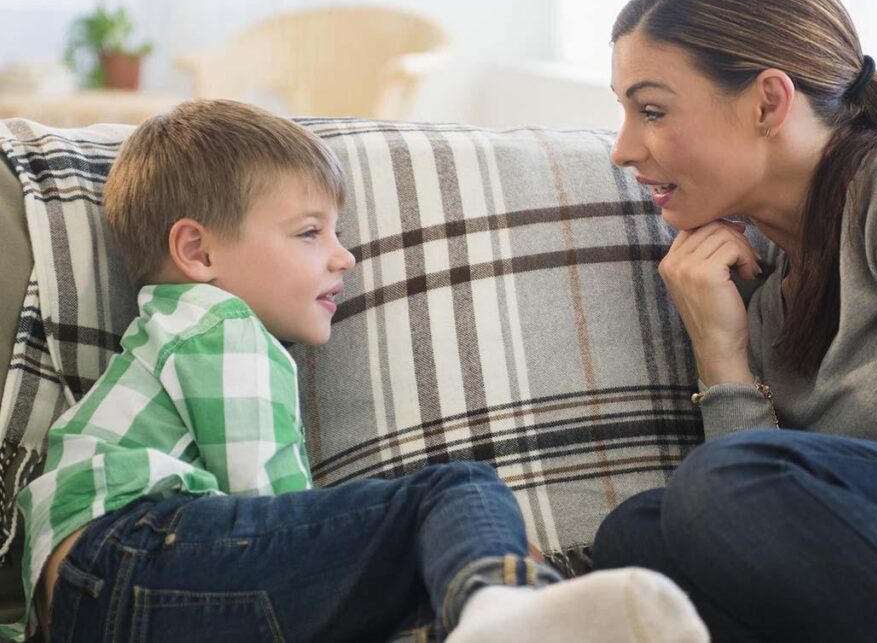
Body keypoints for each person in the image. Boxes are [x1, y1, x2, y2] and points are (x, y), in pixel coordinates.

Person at [8, 99, 708, 643]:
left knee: (423, 567)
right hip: (128, 556)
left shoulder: (167, 329)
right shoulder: (217, 324)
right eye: (310, 232)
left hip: (101, 595)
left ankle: (503, 604)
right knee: (456, 490)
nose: (343, 257)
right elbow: (271, 503)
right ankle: (509, 609)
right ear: (197, 249)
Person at [592, 0, 877, 641]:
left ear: (768, 102)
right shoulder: (758, 286)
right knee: (639, 538)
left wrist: (741, 475)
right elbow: (754, 546)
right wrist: (724, 359)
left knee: (724, 479)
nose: (622, 148)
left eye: (651, 110)